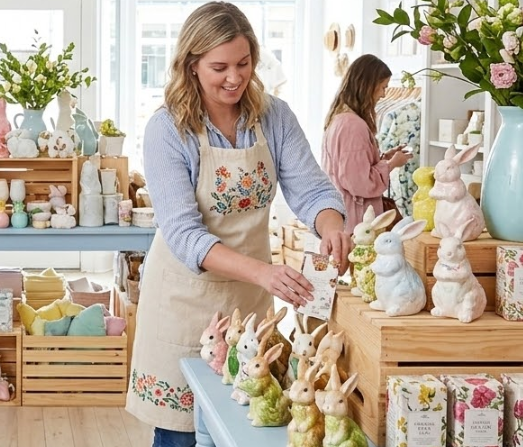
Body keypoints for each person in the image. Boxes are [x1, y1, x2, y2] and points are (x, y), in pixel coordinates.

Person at [126, 3, 351, 445]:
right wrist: (264, 273)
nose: (234, 78)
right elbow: (184, 234)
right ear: (191, 65)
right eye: (220, 67)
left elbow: (312, 191)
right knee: (181, 436)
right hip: (183, 302)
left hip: (249, 304)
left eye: (244, 63)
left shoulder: (274, 116)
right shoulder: (167, 129)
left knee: (245, 428)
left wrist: (331, 228)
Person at [322, 54, 412, 231]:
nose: (384, 94)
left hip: (345, 215)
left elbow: (352, 168)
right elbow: (359, 182)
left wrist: (384, 158)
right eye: (383, 87)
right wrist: (392, 164)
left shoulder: (341, 119)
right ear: (368, 85)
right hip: (356, 220)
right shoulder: (352, 125)